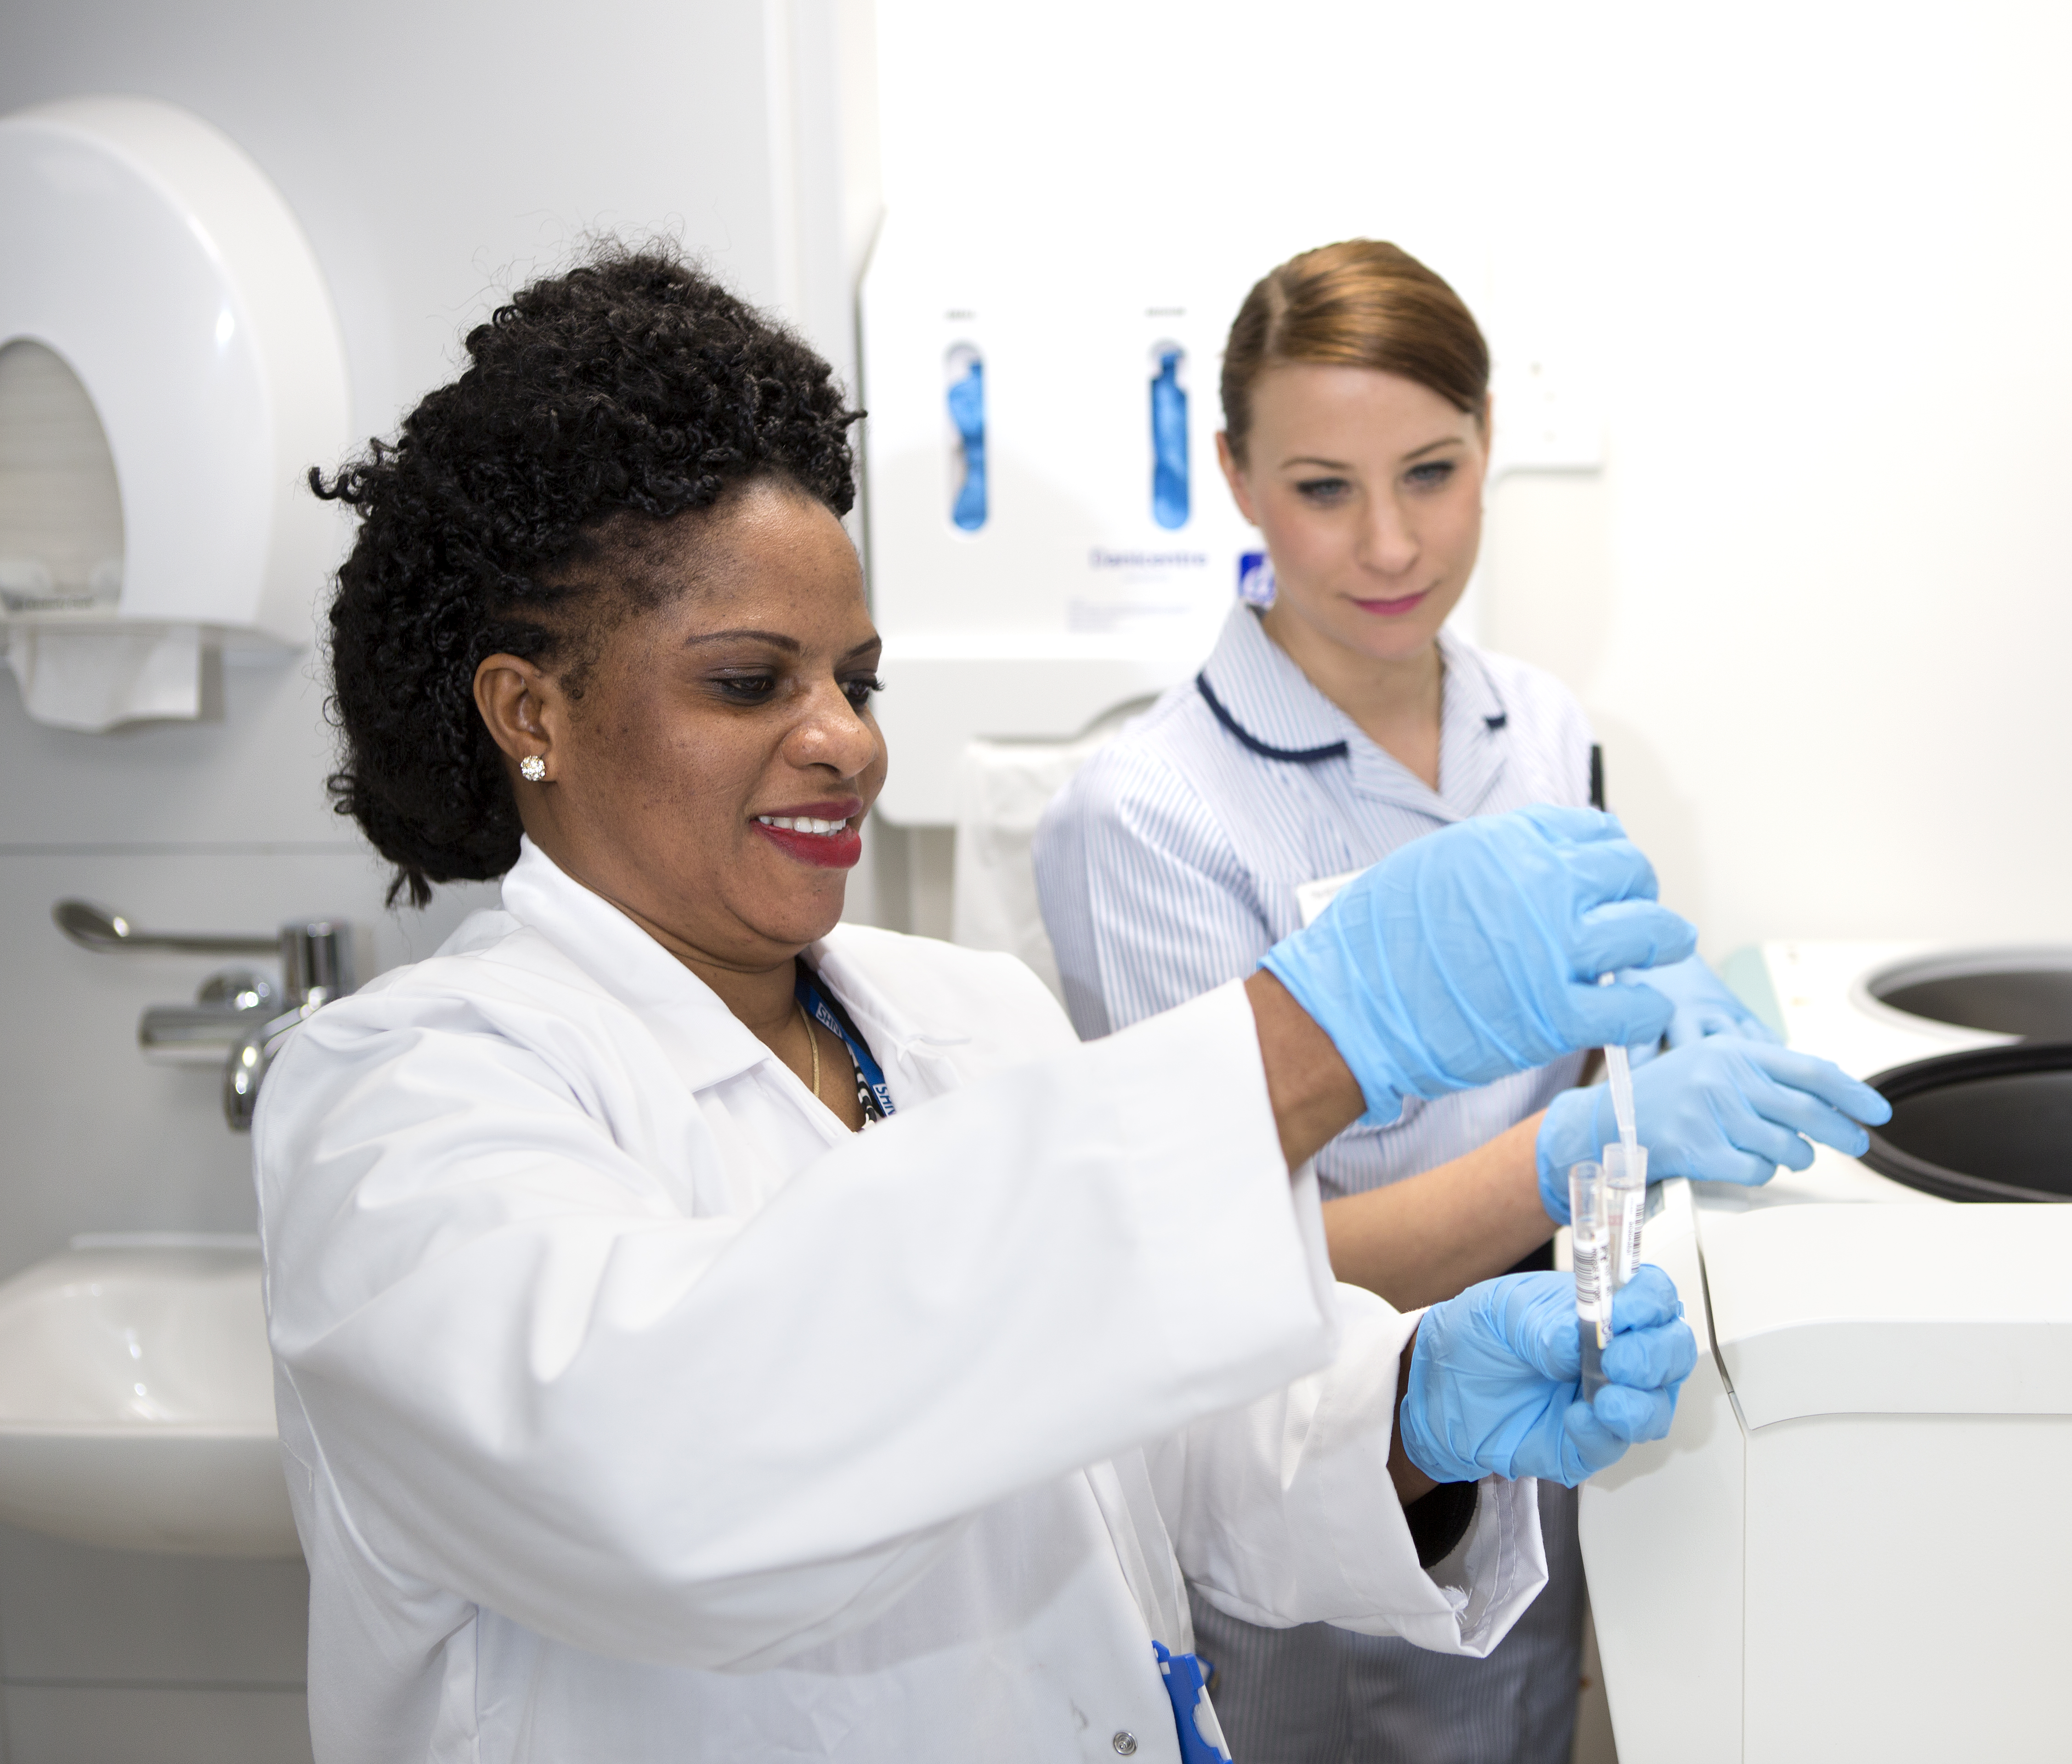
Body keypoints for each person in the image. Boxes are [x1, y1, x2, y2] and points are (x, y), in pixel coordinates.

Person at [256, 250, 1706, 1764]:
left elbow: (1146, 1432)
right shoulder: (398, 1107)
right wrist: (1307, 1044)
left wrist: (1410, 1408)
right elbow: (669, 1466)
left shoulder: (961, 1017)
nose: (846, 744)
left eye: (858, 682)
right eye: (751, 684)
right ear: (529, 712)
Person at [1034, 240, 1891, 1760]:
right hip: (1320, 1505)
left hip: (1542, 1452)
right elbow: (1226, 1261)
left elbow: (1578, 1015)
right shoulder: (1150, 814)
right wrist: (1571, 1152)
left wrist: (1660, 996)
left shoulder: (1538, 724)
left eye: (1431, 472)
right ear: (1233, 476)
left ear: (1489, 442)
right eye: (1321, 488)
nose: (1387, 545)